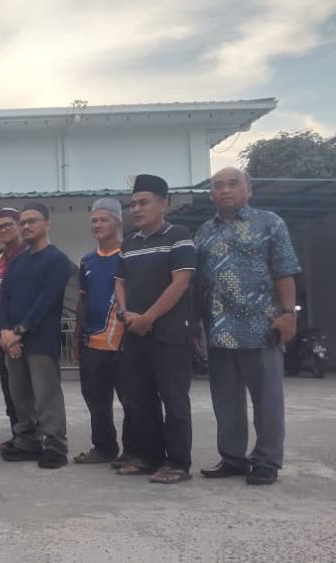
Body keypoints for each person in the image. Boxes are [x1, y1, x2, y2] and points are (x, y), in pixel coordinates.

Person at [196, 167, 300, 486]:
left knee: (267, 401)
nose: (225, 190)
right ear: (211, 194)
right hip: (219, 330)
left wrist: (289, 313)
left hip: (262, 328)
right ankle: (232, 458)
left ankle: (266, 461)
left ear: (249, 189)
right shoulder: (204, 232)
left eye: (233, 184)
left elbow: (284, 270)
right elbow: (197, 281)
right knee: (226, 402)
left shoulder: (270, 223)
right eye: (218, 186)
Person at [114, 174, 196, 484]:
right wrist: (125, 313)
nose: (136, 209)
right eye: (133, 204)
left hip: (170, 333)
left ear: (164, 204)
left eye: (143, 202)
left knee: (174, 400)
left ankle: (178, 463)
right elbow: (120, 282)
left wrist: (148, 317)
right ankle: (148, 457)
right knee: (140, 398)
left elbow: (181, 282)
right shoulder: (129, 242)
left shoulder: (178, 236)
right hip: (135, 332)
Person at [0, 203, 72, 469]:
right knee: (20, 396)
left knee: (46, 395)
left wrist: (18, 332)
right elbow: (4, 300)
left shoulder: (57, 260)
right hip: (13, 343)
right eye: (24, 222)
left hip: (41, 341)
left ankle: (55, 446)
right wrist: (5, 333)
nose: (27, 226)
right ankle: (27, 442)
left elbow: (46, 302)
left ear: (47, 224)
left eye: (33, 221)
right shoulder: (16, 263)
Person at [71, 198, 127, 464]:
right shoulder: (87, 261)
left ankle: (134, 450)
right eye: (94, 220)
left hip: (123, 344)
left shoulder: (128, 257)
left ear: (118, 223)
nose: (98, 225)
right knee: (96, 400)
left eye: (104, 219)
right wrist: (76, 336)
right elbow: (82, 301)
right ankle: (104, 447)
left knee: (131, 400)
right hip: (92, 343)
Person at [0, 207, 25, 451]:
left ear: (19, 226)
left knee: (26, 391)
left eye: (8, 225)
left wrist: (18, 334)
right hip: (1, 333)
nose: (3, 230)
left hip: (22, 335)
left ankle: (32, 438)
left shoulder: (29, 256)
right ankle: (17, 435)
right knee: (9, 389)